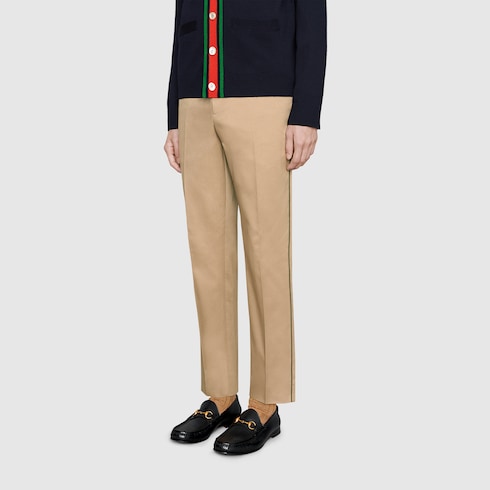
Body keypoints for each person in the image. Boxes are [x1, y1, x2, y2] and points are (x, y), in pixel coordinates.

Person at [163, 0, 327, 455]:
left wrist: (306, 111)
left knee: (265, 252)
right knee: (207, 255)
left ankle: (265, 404)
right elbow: (181, 22)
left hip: (264, 96)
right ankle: (220, 394)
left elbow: (312, 17)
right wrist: (175, 114)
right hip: (196, 101)